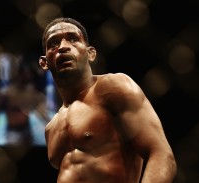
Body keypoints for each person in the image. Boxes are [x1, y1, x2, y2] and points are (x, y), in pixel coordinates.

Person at [38, 17, 177, 183]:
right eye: (54, 43)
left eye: (73, 39)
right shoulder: (51, 128)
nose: (63, 47)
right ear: (44, 62)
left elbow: (161, 154)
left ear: (91, 53)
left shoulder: (112, 87)